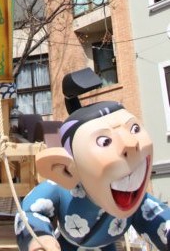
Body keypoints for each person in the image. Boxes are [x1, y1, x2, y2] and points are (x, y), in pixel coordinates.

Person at [15, 101, 170, 251]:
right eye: (104, 141)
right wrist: (41, 239)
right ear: (66, 169)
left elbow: (157, 217)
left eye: (135, 129)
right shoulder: (61, 188)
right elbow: (29, 212)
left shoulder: (136, 199)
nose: (131, 144)